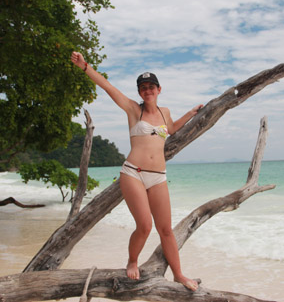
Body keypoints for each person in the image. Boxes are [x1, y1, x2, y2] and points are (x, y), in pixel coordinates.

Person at [71, 52, 202, 291]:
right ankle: (132, 260)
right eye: (143, 87)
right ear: (140, 92)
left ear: (159, 89)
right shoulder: (133, 109)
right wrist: (84, 66)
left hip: (158, 177)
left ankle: (179, 274)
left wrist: (191, 114)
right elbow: (108, 87)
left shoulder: (165, 112)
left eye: (151, 86)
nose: (147, 90)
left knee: (166, 230)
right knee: (144, 226)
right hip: (134, 173)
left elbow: (171, 129)